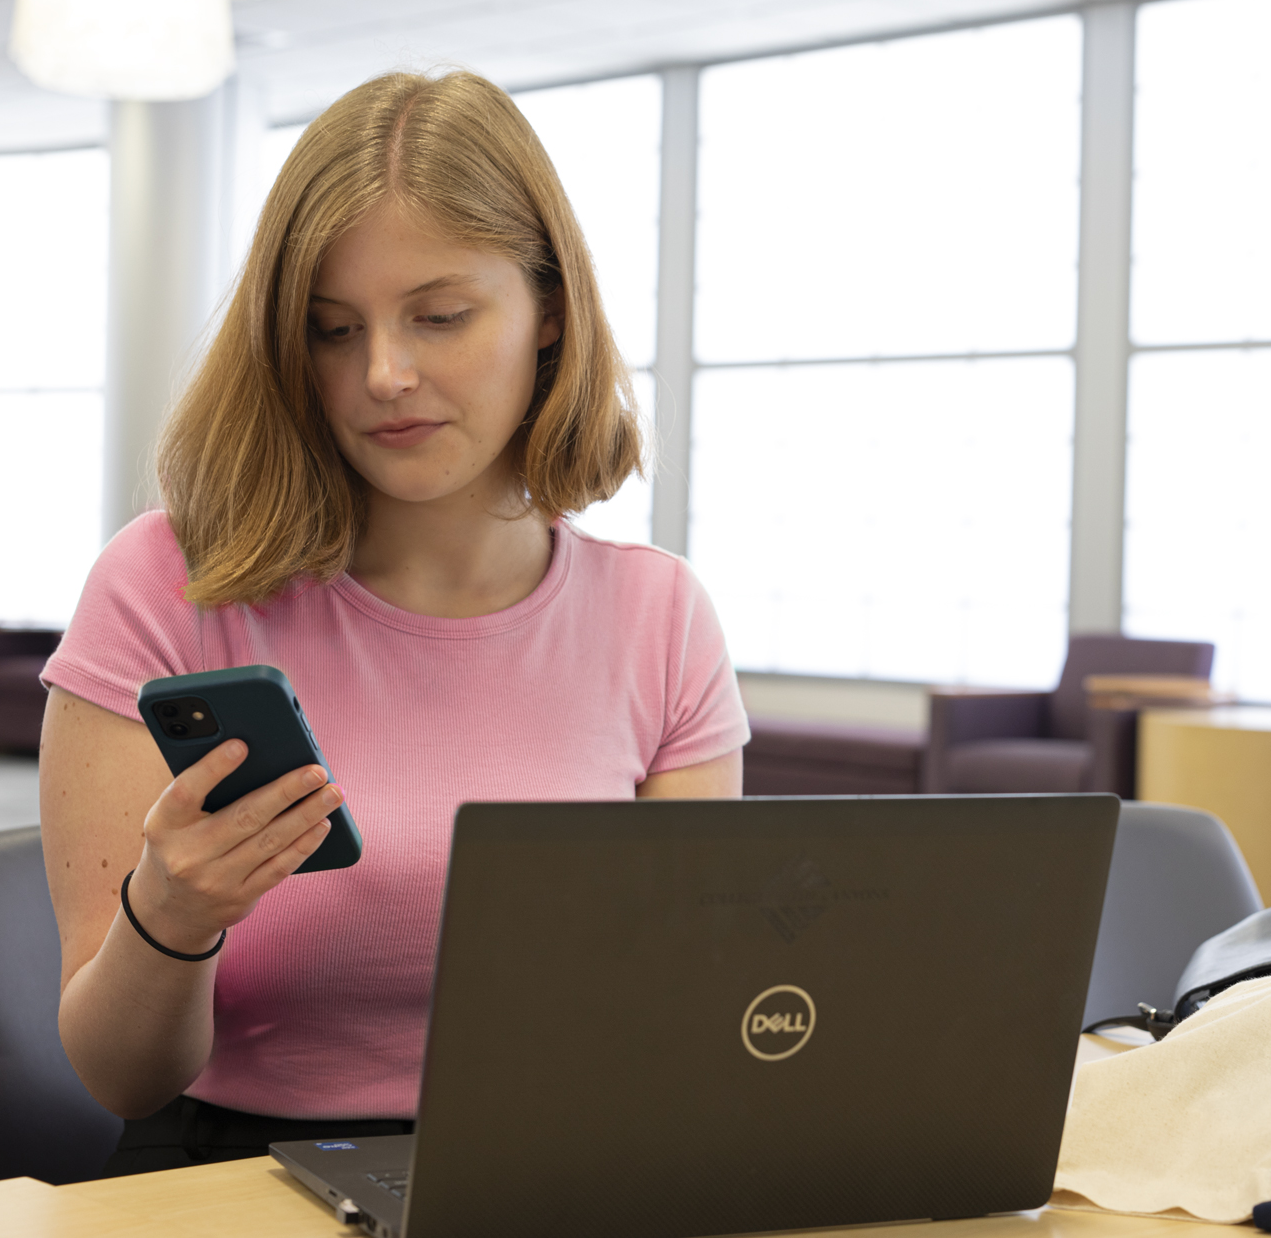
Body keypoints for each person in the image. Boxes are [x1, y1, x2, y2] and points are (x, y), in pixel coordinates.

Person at [38, 69, 749, 1175]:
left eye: (441, 316)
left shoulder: (658, 614)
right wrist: (169, 917)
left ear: (548, 309)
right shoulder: (166, 586)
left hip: (559, 1167)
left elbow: (691, 1008)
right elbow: (123, 1077)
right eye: (331, 330)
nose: (383, 374)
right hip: (235, 1171)